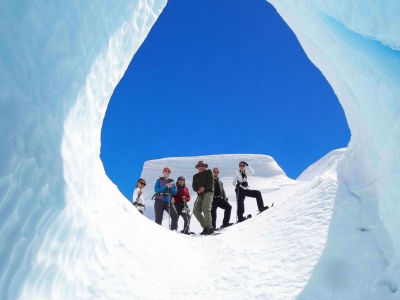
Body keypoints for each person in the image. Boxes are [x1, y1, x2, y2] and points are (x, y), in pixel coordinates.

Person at [192, 160, 214, 235]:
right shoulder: (195, 176)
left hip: (208, 192)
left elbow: (211, 182)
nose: (201, 167)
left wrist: (204, 188)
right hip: (200, 194)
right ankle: (206, 227)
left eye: (202, 166)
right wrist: (198, 190)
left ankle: (210, 228)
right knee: (195, 210)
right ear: (197, 167)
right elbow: (194, 186)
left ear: (205, 166)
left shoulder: (209, 172)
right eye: (200, 166)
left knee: (206, 208)